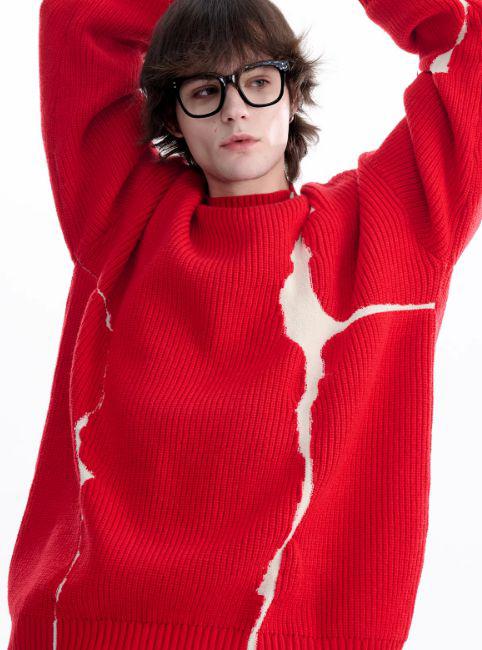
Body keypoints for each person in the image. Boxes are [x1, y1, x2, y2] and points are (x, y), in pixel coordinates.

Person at [7, 0, 481, 648]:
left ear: (294, 92)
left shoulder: (390, 230)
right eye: (206, 91)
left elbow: (471, 52)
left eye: (259, 82)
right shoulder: (125, 217)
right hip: (93, 630)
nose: (235, 110)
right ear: (171, 115)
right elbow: (78, 20)